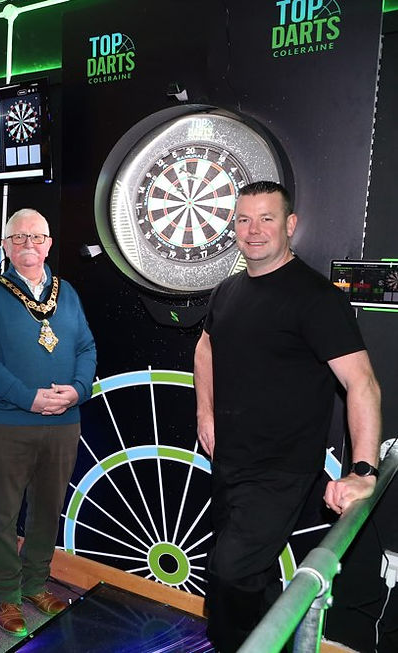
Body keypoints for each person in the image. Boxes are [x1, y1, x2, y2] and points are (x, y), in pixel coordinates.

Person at [194, 180, 381, 651]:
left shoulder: (316, 297)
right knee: (243, 574)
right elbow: (205, 347)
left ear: (290, 225)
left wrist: (363, 471)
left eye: (267, 219)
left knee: (228, 570)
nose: (253, 230)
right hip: (230, 460)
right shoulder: (227, 291)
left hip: (281, 468)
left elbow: (362, 384)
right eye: (243, 219)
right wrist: (206, 414)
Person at [0, 208, 97, 637]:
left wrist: (77, 390)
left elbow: (86, 347)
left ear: (49, 244)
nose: (28, 245)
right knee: (2, 512)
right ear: (5, 246)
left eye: (36, 237)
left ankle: (36, 584)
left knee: (47, 508)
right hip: (8, 422)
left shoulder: (68, 292)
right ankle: (5, 593)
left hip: (65, 422)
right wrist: (29, 398)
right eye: (18, 238)